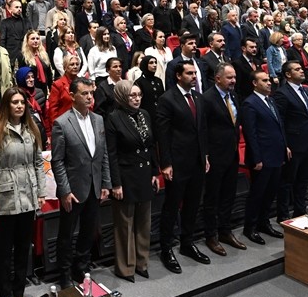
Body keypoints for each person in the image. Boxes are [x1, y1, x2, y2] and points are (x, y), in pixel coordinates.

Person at [0, 87, 47, 297]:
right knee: (4, 253)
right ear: (6, 105)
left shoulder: (32, 129)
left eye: (22, 102)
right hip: (5, 198)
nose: (19, 106)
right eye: (14, 102)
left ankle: (19, 294)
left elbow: (38, 163)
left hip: (28, 197)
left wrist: (41, 192)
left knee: (22, 250)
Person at [50, 77, 110, 286]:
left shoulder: (98, 120)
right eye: (84, 94)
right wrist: (65, 191)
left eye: (91, 93)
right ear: (72, 95)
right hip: (73, 190)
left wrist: (106, 183)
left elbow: (103, 155)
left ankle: (80, 268)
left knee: (88, 231)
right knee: (66, 235)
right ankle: (64, 274)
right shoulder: (62, 123)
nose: (89, 97)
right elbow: (57, 161)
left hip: (94, 186)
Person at [155, 60, 211, 274]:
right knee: (171, 207)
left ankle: (187, 243)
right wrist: (166, 163)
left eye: (195, 73)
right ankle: (166, 248)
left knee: (193, 204)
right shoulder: (167, 99)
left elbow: (202, 129)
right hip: (177, 163)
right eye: (189, 73)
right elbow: (163, 134)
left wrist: (205, 155)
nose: (194, 76)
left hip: (197, 160)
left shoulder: (198, 97)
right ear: (178, 75)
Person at [105, 79, 158, 281]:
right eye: (132, 96)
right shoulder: (114, 118)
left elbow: (151, 146)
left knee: (144, 222)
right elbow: (112, 154)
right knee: (125, 224)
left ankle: (142, 262)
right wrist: (115, 183)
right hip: (126, 177)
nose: (136, 99)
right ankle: (126, 267)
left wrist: (155, 172)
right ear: (122, 97)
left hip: (144, 174)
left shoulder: (144, 115)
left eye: (138, 95)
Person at [202, 63, 245, 255]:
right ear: (218, 78)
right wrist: (206, 155)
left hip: (232, 154)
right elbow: (202, 130)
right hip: (215, 156)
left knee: (229, 195)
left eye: (234, 77)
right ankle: (211, 235)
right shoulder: (207, 99)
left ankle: (225, 231)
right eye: (229, 77)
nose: (233, 80)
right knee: (213, 198)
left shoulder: (234, 96)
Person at [240, 70, 288, 243]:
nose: (269, 83)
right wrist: (257, 158)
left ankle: (264, 222)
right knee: (257, 194)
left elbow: (279, 126)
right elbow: (250, 134)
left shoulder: (271, 100)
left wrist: (285, 147)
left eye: (269, 80)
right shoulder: (249, 104)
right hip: (261, 158)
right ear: (254, 83)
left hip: (276, 154)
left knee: (270, 193)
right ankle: (250, 227)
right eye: (264, 80)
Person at [273, 61, 308, 216]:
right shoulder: (282, 93)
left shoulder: (306, 91)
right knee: (287, 182)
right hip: (293, 145)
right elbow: (279, 121)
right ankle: (283, 215)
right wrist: (284, 144)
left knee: (303, 180)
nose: (302, 71)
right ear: (288, 74)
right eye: (297, 69)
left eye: (302, 68)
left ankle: (300, 211)